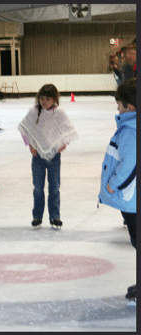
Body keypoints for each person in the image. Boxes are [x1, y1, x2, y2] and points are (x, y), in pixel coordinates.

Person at [18, 84, 78, 229]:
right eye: (42, 98)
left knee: (54, 187)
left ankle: (55, 216)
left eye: (48, 99)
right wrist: (30, 145)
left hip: (54, 156)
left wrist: (64, 143)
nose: (44, 101)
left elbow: (67, 130)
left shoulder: (59, 113)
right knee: (38, 187)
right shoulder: (34, 112)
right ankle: (37, 216)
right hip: (37, 155)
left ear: (54, 99)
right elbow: (25, 129)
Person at [98, 78, 136, 302]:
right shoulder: (130, 126)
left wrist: (113, 184)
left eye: (119, 104)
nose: (117, 108)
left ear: (130, 107)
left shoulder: (131, 130)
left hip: (132, 197)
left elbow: (130, 165)